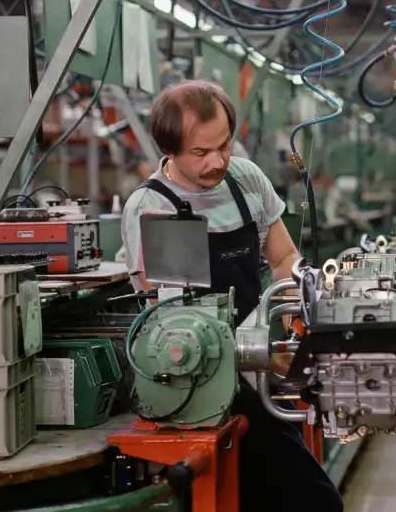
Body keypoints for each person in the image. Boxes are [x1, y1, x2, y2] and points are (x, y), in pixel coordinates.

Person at [121, 80, 343, 512]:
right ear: (170, 150)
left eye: (223, 146)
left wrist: (304, 297)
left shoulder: (246, 181)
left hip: (257, 367)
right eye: (200, 153)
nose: (217, 161)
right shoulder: (154, 208)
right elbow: (166, 322)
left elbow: (282, 259)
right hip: (196, 382)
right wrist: (248, 357)